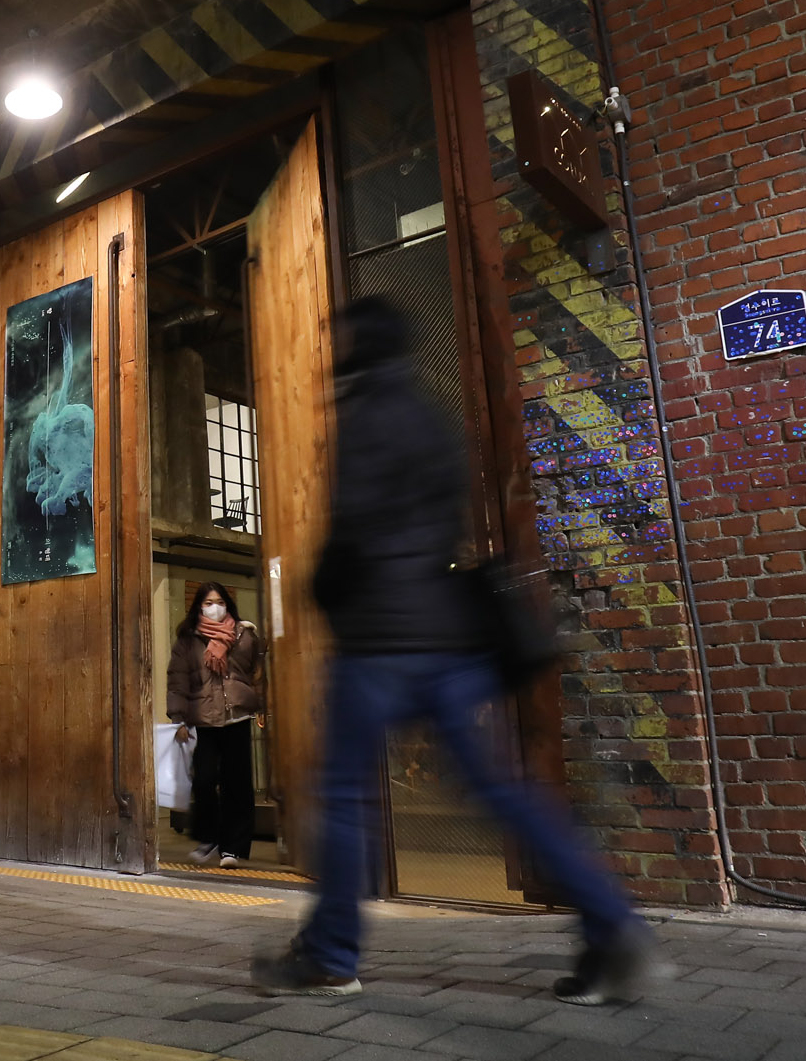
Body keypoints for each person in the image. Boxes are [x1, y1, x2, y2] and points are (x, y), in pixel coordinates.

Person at [251, 296, 661, 1006]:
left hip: (379, 640)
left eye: (337, 333)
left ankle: (328, 954)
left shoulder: (365, 415)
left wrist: (321, 590)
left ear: (362, 341)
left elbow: (353, 533)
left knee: (344, 798)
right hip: (449, 639)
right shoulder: (432, 413)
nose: (329, 344)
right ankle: (613, 924)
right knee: (502, 788)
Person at [165, 581, 261, 868]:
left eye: (219, 601)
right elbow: (177, 680)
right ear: (199, 607)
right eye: (208, 603)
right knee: (204, 779)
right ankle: (209, 837)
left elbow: (257, 673)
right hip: (204, 720)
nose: (214, 607)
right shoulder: (187, 639)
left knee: (238, 784)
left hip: (238, 716)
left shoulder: (244, 634)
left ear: (227, 604)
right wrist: (177, 718)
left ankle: (233, 848)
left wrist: (263, 705)